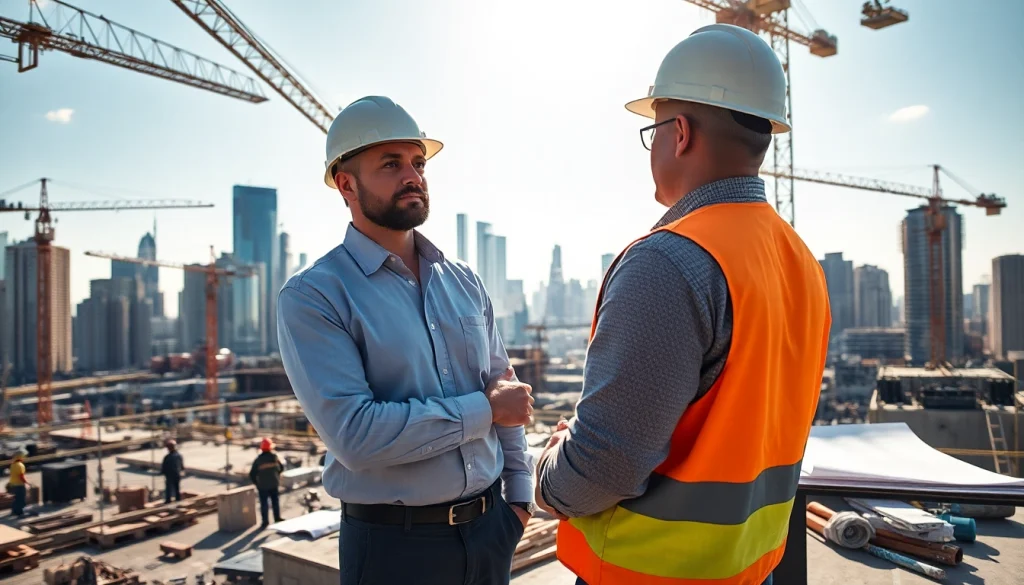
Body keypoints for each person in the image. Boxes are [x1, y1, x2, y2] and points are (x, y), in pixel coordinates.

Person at [535, 24, 831, 585]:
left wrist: (548, 471)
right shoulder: (801, 263)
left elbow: (604, 465)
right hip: (751, 568)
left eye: (652, 132)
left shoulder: (670, 262)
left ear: (681, 133)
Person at [278, 95, 536, 585]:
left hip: (490, 533)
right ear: (345, 183)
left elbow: (504, 387)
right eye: (391, 164)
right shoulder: (315, 296)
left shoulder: (464, 281)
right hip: (395, 551)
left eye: (418, 163)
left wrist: (518, 501)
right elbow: (355, 435)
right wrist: (484, 410)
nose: (413, 176)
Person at [249, 437, 284, 528]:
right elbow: (281, 468)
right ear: (270, 447)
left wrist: (257, 483)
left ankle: (265, 522)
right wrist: (276, 476)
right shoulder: (274, 457)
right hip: (274, 484)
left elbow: (252, 474)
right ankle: (277, 518)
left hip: (263, 486)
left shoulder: (258, 460)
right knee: (275, 502)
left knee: (264, 504)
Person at [7, 448, 30, 516]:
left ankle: (14, 511)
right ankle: (20, 513)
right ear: (21, 456)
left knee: (16, 499)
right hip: (19, 484)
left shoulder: (13, 464)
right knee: (21, 498)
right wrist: (27, 483)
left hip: (13, 484)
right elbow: (21, 476)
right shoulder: (20, 465)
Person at [161, 439, 183, 503]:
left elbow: (164, 467)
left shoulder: (167, 457)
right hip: (176, 474)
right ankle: (178, 499)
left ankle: (168, 500)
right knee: (177, 487)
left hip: (170, 475)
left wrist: (163, 473)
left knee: (169, 488)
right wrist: (181, 470)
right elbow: (181, 465)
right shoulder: (178, 455)